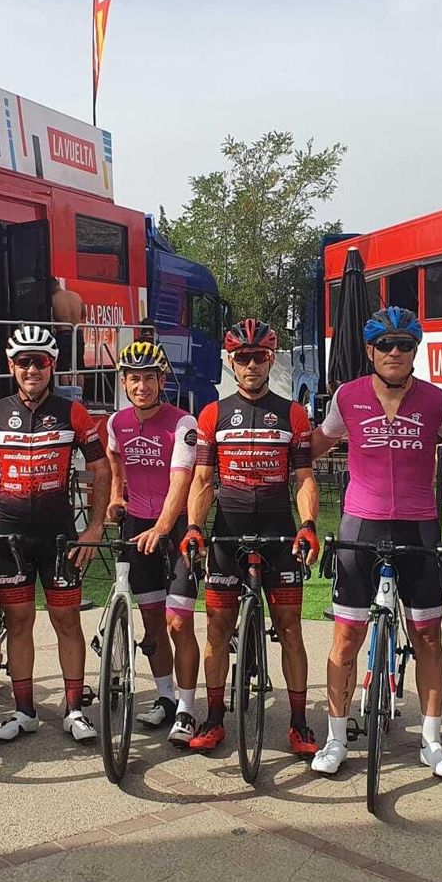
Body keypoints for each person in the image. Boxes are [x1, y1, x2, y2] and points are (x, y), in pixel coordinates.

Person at [308, 305, 442, 779]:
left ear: (415, 351)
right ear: (370, 351)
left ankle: (432, 741)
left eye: (404, 345)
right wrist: (262, 457)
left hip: (418, 527)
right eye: (385, 345)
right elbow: (315, 445)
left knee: (427, 635)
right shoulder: (347, 397)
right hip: (360, 526)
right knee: (347, 636)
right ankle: (335, 737)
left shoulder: (436, 401)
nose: (395, 352)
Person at [0, 324, 111, 744]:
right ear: (11, 366)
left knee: (66, 619)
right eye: (23, 362)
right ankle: (24, 711)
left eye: (40, 362)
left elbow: (101, 467)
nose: (32, 369)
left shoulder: (72, 413)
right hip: (11, 533)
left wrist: (95, 526)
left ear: (53, 366)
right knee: (18, 621)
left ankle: (75, 709)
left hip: (58, 535)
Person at [180, 319, 320, 754]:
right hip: (229, 531)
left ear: (271, 359)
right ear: (232, 361)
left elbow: (304, 478)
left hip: (279, 530)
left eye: (260, 356)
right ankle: (214, 718)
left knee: (290, 629)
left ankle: (299, 724)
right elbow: (203, 480)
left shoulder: (293, 414)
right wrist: (194, 528)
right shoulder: (212, 414)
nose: (252, 365)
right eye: (243, 357)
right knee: (217, 629)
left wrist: (309, 525)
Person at [104, 339, 203, 747]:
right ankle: (165, 697)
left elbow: (181, 480)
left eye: (149, 378)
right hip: (137, 526)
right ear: (124, 382)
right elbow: (114, 458)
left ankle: (187, 708)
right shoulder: (116, 422)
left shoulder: (183, 423)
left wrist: (162, 527)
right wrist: (116, 495)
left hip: (175, 527)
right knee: (151, 620)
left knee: (179, 621)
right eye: (134, 378)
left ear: (162, 381)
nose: (141, 386)